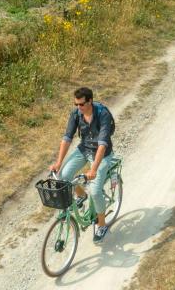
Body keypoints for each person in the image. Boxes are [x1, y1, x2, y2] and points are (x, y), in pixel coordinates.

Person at [49, 87, 115, 243]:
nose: (78, 107)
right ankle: (81, 195)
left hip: (102, 154)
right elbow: (67, 138)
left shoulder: (103, 114)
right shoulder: (76, 114)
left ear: (90, 101)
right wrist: (58, 163)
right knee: (64, 176)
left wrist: (93, 169)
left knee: (95, 190)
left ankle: (102, 224)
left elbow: (102, 145)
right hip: (84, 148)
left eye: (81, 104)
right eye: (76, 104)